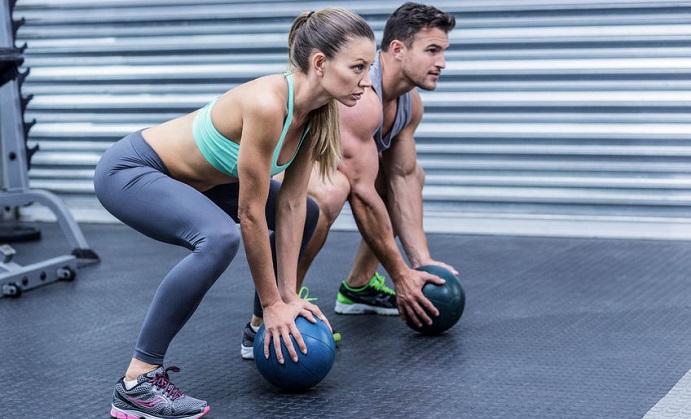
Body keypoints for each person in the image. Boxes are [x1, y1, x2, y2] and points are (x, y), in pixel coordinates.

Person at [94, 8, 376, 419]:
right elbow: (249, 213)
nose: (367, 82)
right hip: (132, 171)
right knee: (220, 237)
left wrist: (287, 297)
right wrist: (273, 298)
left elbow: (293, 204)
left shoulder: (317, 113)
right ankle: (138, 381)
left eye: (369, 68)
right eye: (358, 67)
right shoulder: (266, 103)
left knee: (310, 212)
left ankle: (259, 328)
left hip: (201, 182)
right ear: (320, 63)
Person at [240, 2, 458, 359]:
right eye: (432, 50)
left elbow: (402, 179)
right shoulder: (361, 99)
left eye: (444, 51)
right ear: (398, 50)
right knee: (331, 191)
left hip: (347, 176)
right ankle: (273, 310)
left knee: (412, 174)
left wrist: (422, 265)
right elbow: (361, 192)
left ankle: (358, 288)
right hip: (288, 179)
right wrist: (400, 274)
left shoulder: (410, 104)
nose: (442, 62)